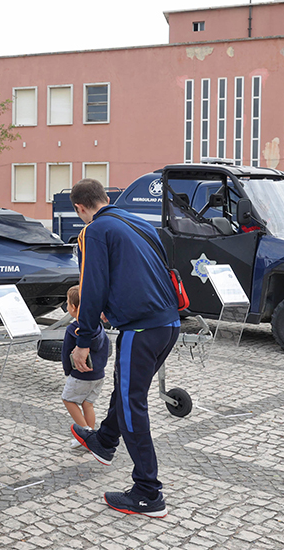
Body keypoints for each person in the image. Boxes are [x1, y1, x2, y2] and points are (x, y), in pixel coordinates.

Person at [67, 178, 180, 518]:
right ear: (106, 197)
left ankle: (148, 492)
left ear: (80, 208)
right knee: (126, 391)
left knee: (132, 406)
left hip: (140, 328)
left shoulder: (95, 230)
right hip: (168, 324)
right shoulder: (139, 222)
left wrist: (83, 341)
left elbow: (91, 287)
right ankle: (104, 440)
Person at [59, 285, 109, 448]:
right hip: (98, 375)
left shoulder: (73, 329)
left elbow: (66, 352)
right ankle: (91, 437)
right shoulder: (99, 326)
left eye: (67, 303)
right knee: (88, 404)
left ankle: (86, 433)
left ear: (73, 307)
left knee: (68, 400)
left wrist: (67, 370)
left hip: (81, 375)